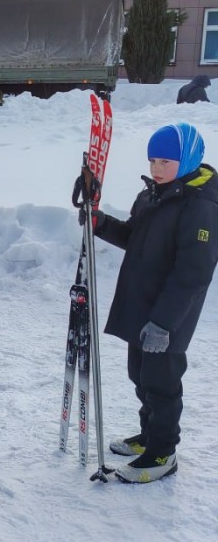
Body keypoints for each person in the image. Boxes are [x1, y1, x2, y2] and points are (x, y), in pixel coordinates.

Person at [88, 123, 218, 483]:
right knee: (139, 375)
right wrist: (101, 224)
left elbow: (193, 273)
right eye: (153, 159)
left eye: (166, 160)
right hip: (141, 304)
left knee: (162, 382)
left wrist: (164, 322)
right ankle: (148, 436)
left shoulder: (200, 205)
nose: (157, 168)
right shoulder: (153, 194)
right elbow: (134, 236)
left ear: (189, 158)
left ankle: (163, 451)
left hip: (168, 315)